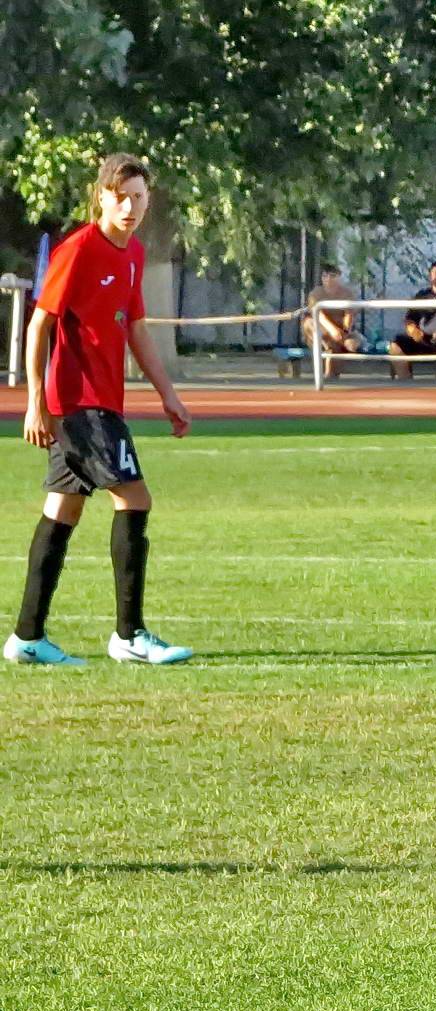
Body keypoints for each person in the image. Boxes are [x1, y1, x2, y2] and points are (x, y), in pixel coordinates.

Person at [6, 152, 193, 668]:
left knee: (62, 509)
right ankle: (129, 635)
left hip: (103, 402)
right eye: (120, 196)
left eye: (138, 197)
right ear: (101, 197)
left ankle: (26, 638)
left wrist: (167, 394)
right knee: (135, 498)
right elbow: (39, 325)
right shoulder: (79, 250)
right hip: (78, 405)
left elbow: (136, 331)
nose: (130, 206)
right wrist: (35, 403)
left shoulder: (131, 254)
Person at [301, 264, 366, 380]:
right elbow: (319, 316)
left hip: (341, 332)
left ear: (339, 277)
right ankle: (331, 350)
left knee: (351, 344)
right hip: (321, 332)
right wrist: (332, 330)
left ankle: (332, 375)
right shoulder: (315, 293)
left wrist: (345, 331)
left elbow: (349, 315)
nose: (328, 279)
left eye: (332, 276)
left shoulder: (347, 293)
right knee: (308, 323)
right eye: (325, 276)